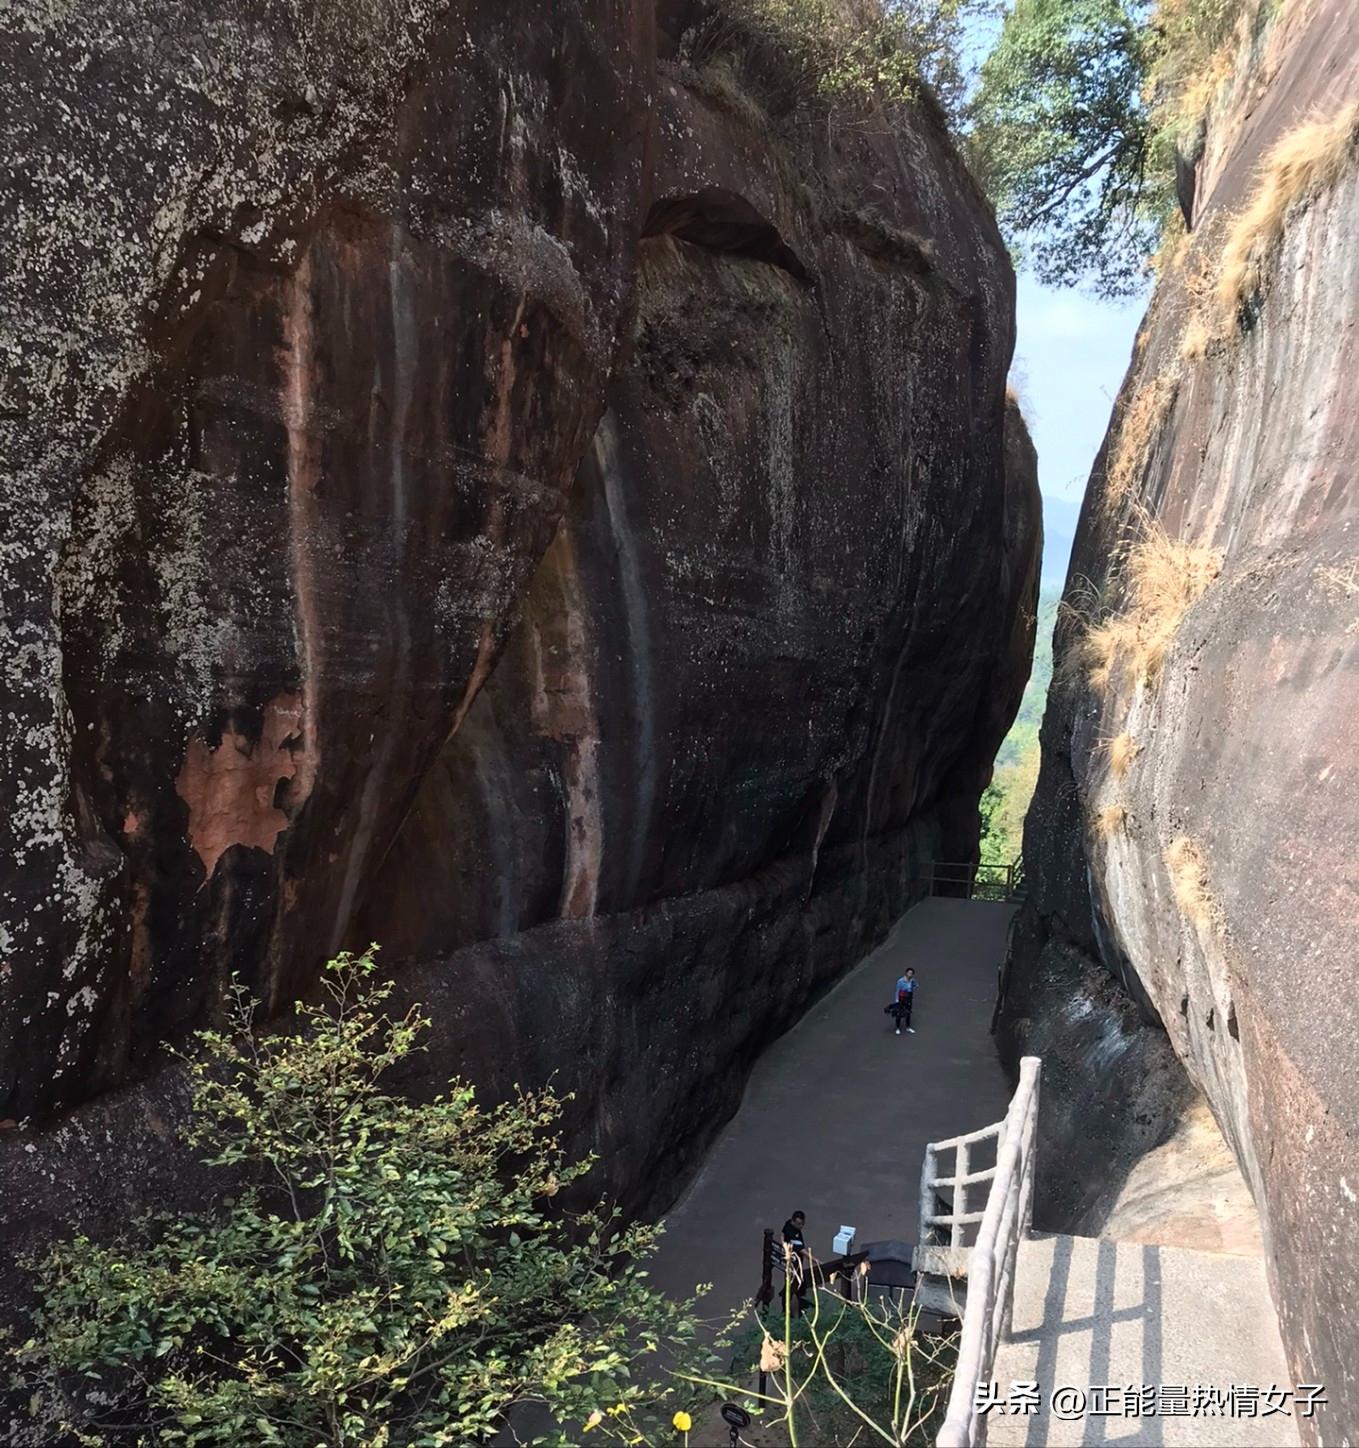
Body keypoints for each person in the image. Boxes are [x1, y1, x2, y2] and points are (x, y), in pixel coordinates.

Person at [893, 968, 917, 1034]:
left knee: (908, 1013)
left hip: (908, 998)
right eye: (909, 973)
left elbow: (916, 985)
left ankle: (908, 1027)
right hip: (902, 998)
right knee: (899, 1013)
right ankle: (897, 1028)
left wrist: (912, 988)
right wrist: (897, 1000)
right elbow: (897, 991)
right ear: (906, 973)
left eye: (911, 973)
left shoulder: (912, 980)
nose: (910, 974)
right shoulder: (900, 981)